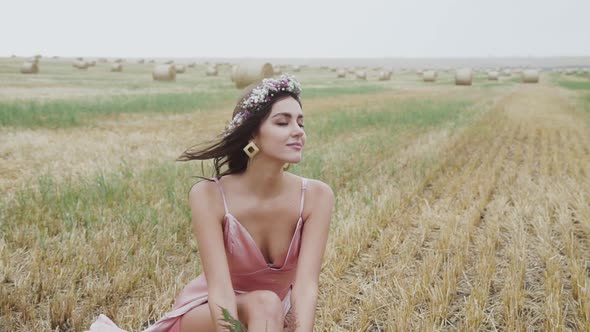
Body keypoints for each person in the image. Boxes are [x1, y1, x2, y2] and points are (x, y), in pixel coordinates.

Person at [87, 74, 334, 332]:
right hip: (212, 312)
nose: (298, 131)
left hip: (269, 318)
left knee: (270, 305)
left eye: (301, 123)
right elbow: (220, 290)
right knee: (266, 302)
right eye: (283, 122)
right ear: (252, 134)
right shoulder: (209, 195)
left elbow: (306, 288)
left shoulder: (317, 197)